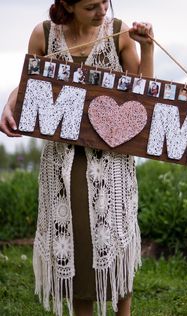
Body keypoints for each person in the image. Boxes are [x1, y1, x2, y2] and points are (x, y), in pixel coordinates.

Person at [0, 1, 154, 316]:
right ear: (68, 6)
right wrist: (10, 102)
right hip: (64, 163)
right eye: (90, 6)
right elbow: (32, 80)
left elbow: (144, 95)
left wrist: (148, 49)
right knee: (77, 244)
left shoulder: (118, 32)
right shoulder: (44, 35)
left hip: (112, 161)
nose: (101, 11)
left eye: (104, 3)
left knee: (116, 237)